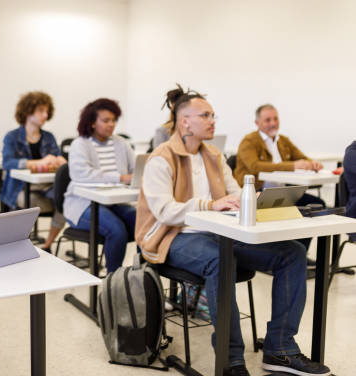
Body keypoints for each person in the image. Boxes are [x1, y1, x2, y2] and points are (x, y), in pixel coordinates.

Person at [135, 86, 329, 376]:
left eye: (213, 115)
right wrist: (211, 204)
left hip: (218, 233)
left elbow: (236, 194)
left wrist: (252, 205)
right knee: (220, 260)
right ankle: (231, 360)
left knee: (292, 252)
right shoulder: (161, 158)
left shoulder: (214, 154)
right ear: (185, 121)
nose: (213, 120)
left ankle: (280, 350)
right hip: (174, 236)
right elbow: (164, 211)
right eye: (206, 115)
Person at [234, 104, 326, 255]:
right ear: (257, 123)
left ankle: (300, 252)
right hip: (256, 193)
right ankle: (279, 255)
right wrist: (293, 165)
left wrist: (312, 163)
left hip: (280, 191)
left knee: (316, 205)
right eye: (267, 120)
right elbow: (255, 166)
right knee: (280, 209)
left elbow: (301, 157)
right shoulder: (249, 141)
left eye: (275, 118)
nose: (273, 123)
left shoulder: (283, 140)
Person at [63, 98, 136, 273]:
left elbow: (135, 170)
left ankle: (144, 274)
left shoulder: (122, 143)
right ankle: (113, 281)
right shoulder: (80, 144)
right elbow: (82, 175)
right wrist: (120, 177)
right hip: (82, 204)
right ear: (92, 122)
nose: (111, 125)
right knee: (117, 230)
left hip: (114, 202)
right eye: (105, 120)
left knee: (143, 222)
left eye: (113, 120)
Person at [0, 91, 66, 252]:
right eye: (41, 111)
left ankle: (47, 244)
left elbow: (58, 157)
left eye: (46, 111)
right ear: (28, 112)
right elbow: (8, 162)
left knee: (67, 202)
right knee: (29, 203)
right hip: (20, 187)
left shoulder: (49, 137)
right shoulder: (12, 137)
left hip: (47, 187)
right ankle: (19, 244)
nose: (45, 115)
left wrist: (60, 161)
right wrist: (38, 163)